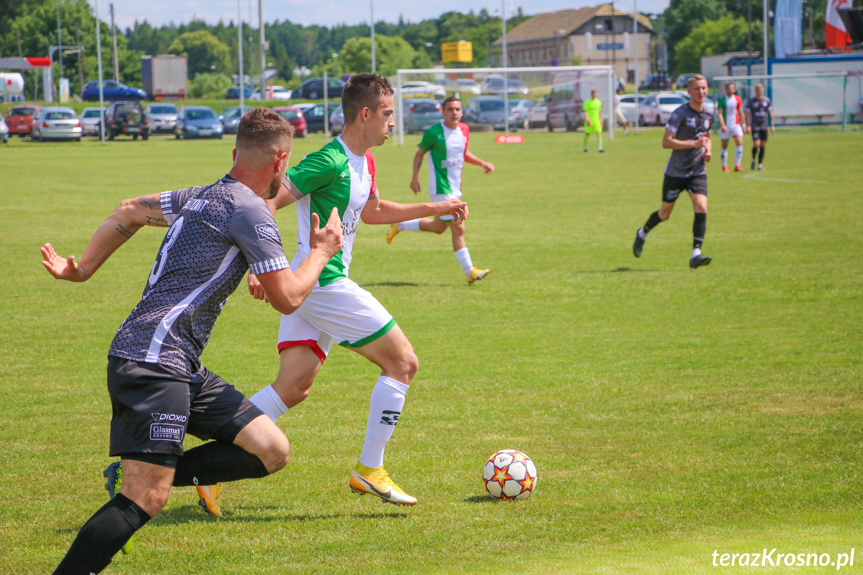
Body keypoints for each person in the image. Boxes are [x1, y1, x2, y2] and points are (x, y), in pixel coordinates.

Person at [44, 108, 343, 574]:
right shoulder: (251, 210)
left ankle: (135, 471)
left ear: (234, 153)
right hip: (154, 359)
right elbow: (288, 298)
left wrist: (83, 268)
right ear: (282, 161)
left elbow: (129, 210)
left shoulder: (199, 196)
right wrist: (323, 250)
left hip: (175, 360)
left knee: (270, 449)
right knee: (146, 497)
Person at [235, 74, 468, 508]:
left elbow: (376, 211)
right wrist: (260, 263)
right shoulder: (328, 161)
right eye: (387, 114)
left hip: (314, 285)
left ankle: (207, 466)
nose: (392, 123)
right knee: (402, 362)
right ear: (365, 114)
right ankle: (370, 470)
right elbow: (263, 202)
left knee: (292, 388)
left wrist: (437, 206)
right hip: (322, 282)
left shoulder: (367, 161)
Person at [386, 95, 494, 284]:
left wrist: (482, 163)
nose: (454, 113)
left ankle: (399, 224)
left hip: (455, 187)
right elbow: (420, 153)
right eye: (450, 109)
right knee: (459, 226)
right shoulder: (434, 133)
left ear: (461, 112)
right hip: (440, 188)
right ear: (443, 112)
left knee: (438, 228)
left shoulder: (464, 130)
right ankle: (470, 270)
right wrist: (414, 178)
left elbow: (463, 153)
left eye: (457, 109)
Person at [632, 74, 714, 269]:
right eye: (696, 89)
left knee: (701, 206)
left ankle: (696, 253)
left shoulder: (708, 114)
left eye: (703, 88)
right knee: (665, 213)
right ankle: (642, 232)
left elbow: (706, 137)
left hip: (697, 170)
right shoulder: (680, 114)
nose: (700, 92)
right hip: (676, 172)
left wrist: (708, 150)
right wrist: (693, 143)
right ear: (689, 91)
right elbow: (666, 141)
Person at [717, 81, 746, 172]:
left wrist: (744, 124)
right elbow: (720, 114)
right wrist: (723, 125)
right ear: (726, 89)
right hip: (726, 125)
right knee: (724, 146)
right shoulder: (722, 100)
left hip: (736, 125)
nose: (730, 89)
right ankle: (724, 166)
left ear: (734, 89)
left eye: (732, 88)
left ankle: (737, 165)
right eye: (729, 88)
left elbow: (740, 112)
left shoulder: (738, 99)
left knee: (739, 142)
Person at [745, 83, 774, 170]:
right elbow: (747, 114)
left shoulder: (766, 101)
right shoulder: (751, 101)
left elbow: (770, 114)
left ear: (763, 90)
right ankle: (753, 159)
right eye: (757, 89)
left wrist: (772, 125)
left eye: (760, 89)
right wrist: (748, 126)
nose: (759, 91)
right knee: (756, 144)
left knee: (762, 144)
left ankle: (760, 164)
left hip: (764, 126)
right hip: (755, 126)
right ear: (755, 90)